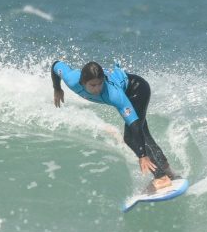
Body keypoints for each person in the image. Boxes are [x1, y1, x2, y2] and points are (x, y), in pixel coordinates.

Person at [51, 60, 177, 192]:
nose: (98, 88)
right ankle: (166, 169)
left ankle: (161, 177)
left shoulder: (113, 94)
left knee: (131, 137)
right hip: (128, 89)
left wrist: (142, 155)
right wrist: (57, 88)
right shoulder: (71, 79)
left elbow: (134, 124)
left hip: (137, 90)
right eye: (93, 85)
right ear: (82, 82)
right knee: (143, 133)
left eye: (100, 83)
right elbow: (55, 65)